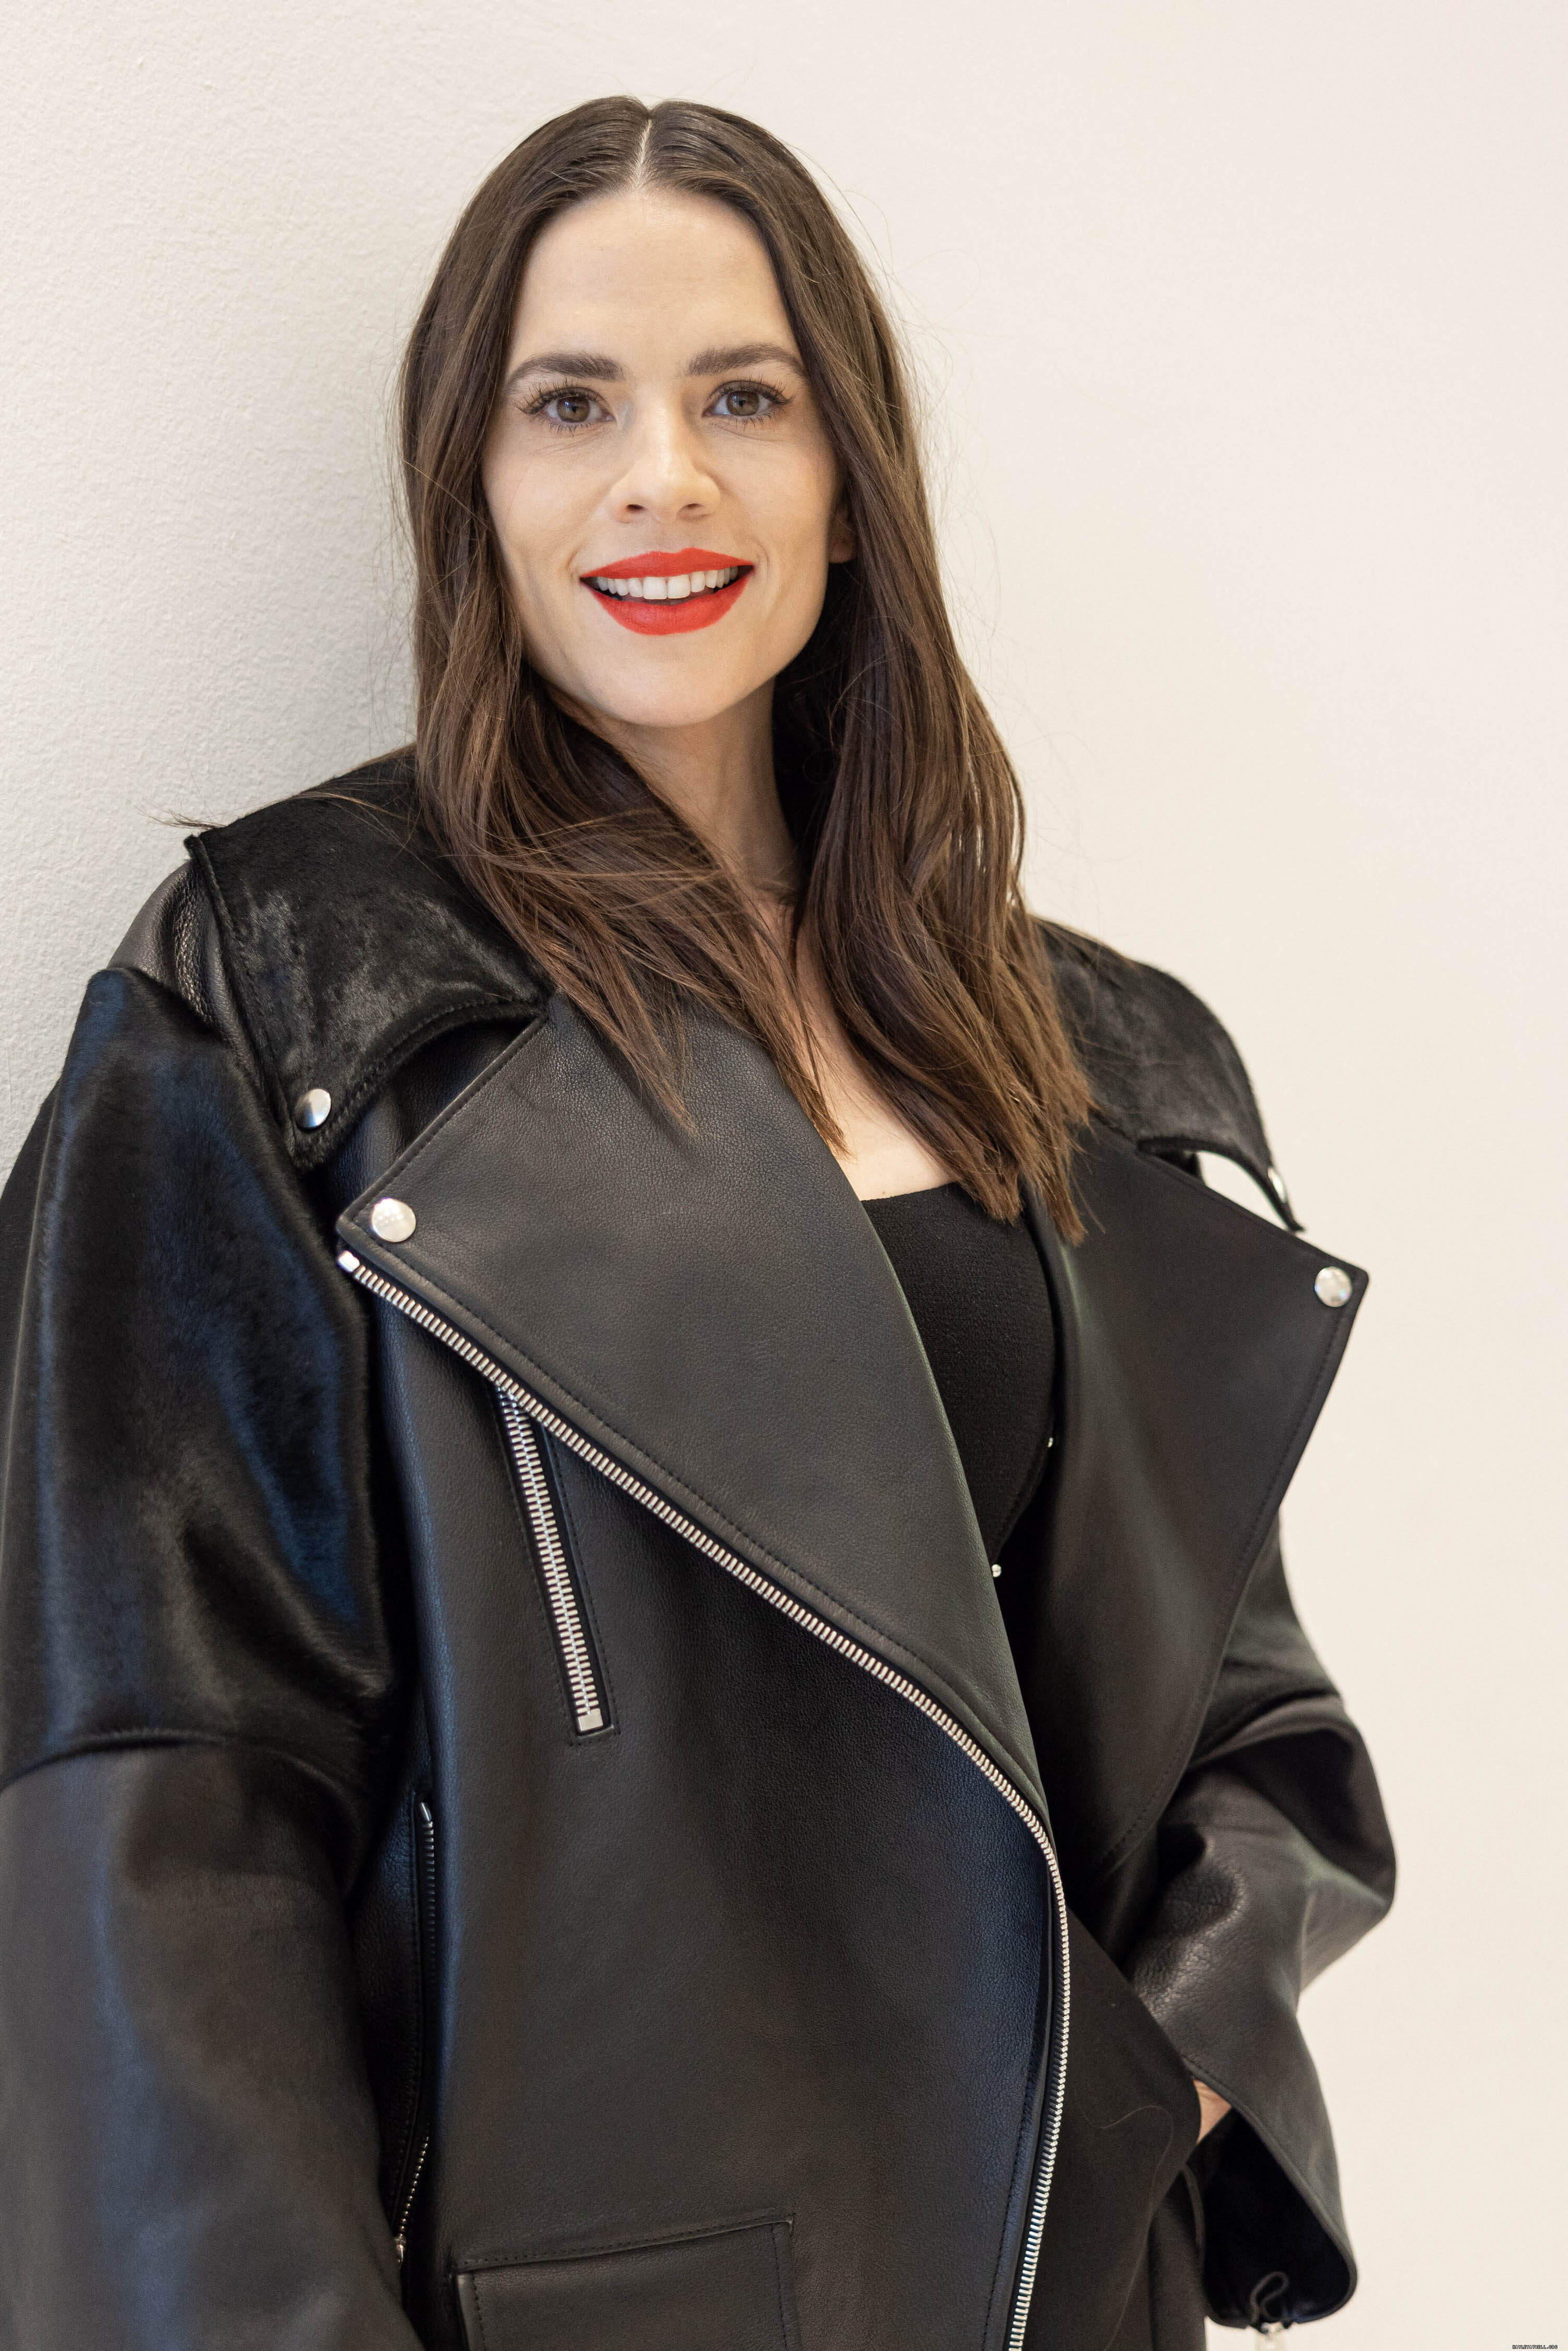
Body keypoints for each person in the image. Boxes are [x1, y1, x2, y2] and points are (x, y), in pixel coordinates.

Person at [0, 96, 1393, 2351]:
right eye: (570, 405)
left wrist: (1174, 2090)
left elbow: (1240, 1717)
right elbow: (156, 1813)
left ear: (850, 475)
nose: (662, 476)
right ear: (473, 483)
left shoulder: (1090, 1052)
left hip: (1050, 2282)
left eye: (744, 397)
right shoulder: (288, 991)